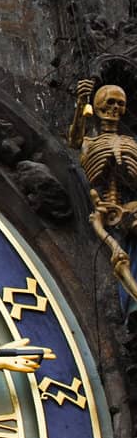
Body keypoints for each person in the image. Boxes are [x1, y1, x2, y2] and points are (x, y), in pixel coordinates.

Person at [69, 77, 137, 311]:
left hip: (129, 206)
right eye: (109, 103)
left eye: (120, 104)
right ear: (97, 107)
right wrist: (80, 103)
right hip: (105, 208)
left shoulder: (130, 143)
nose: (115, 109)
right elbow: (75, 139)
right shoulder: (90, 142)